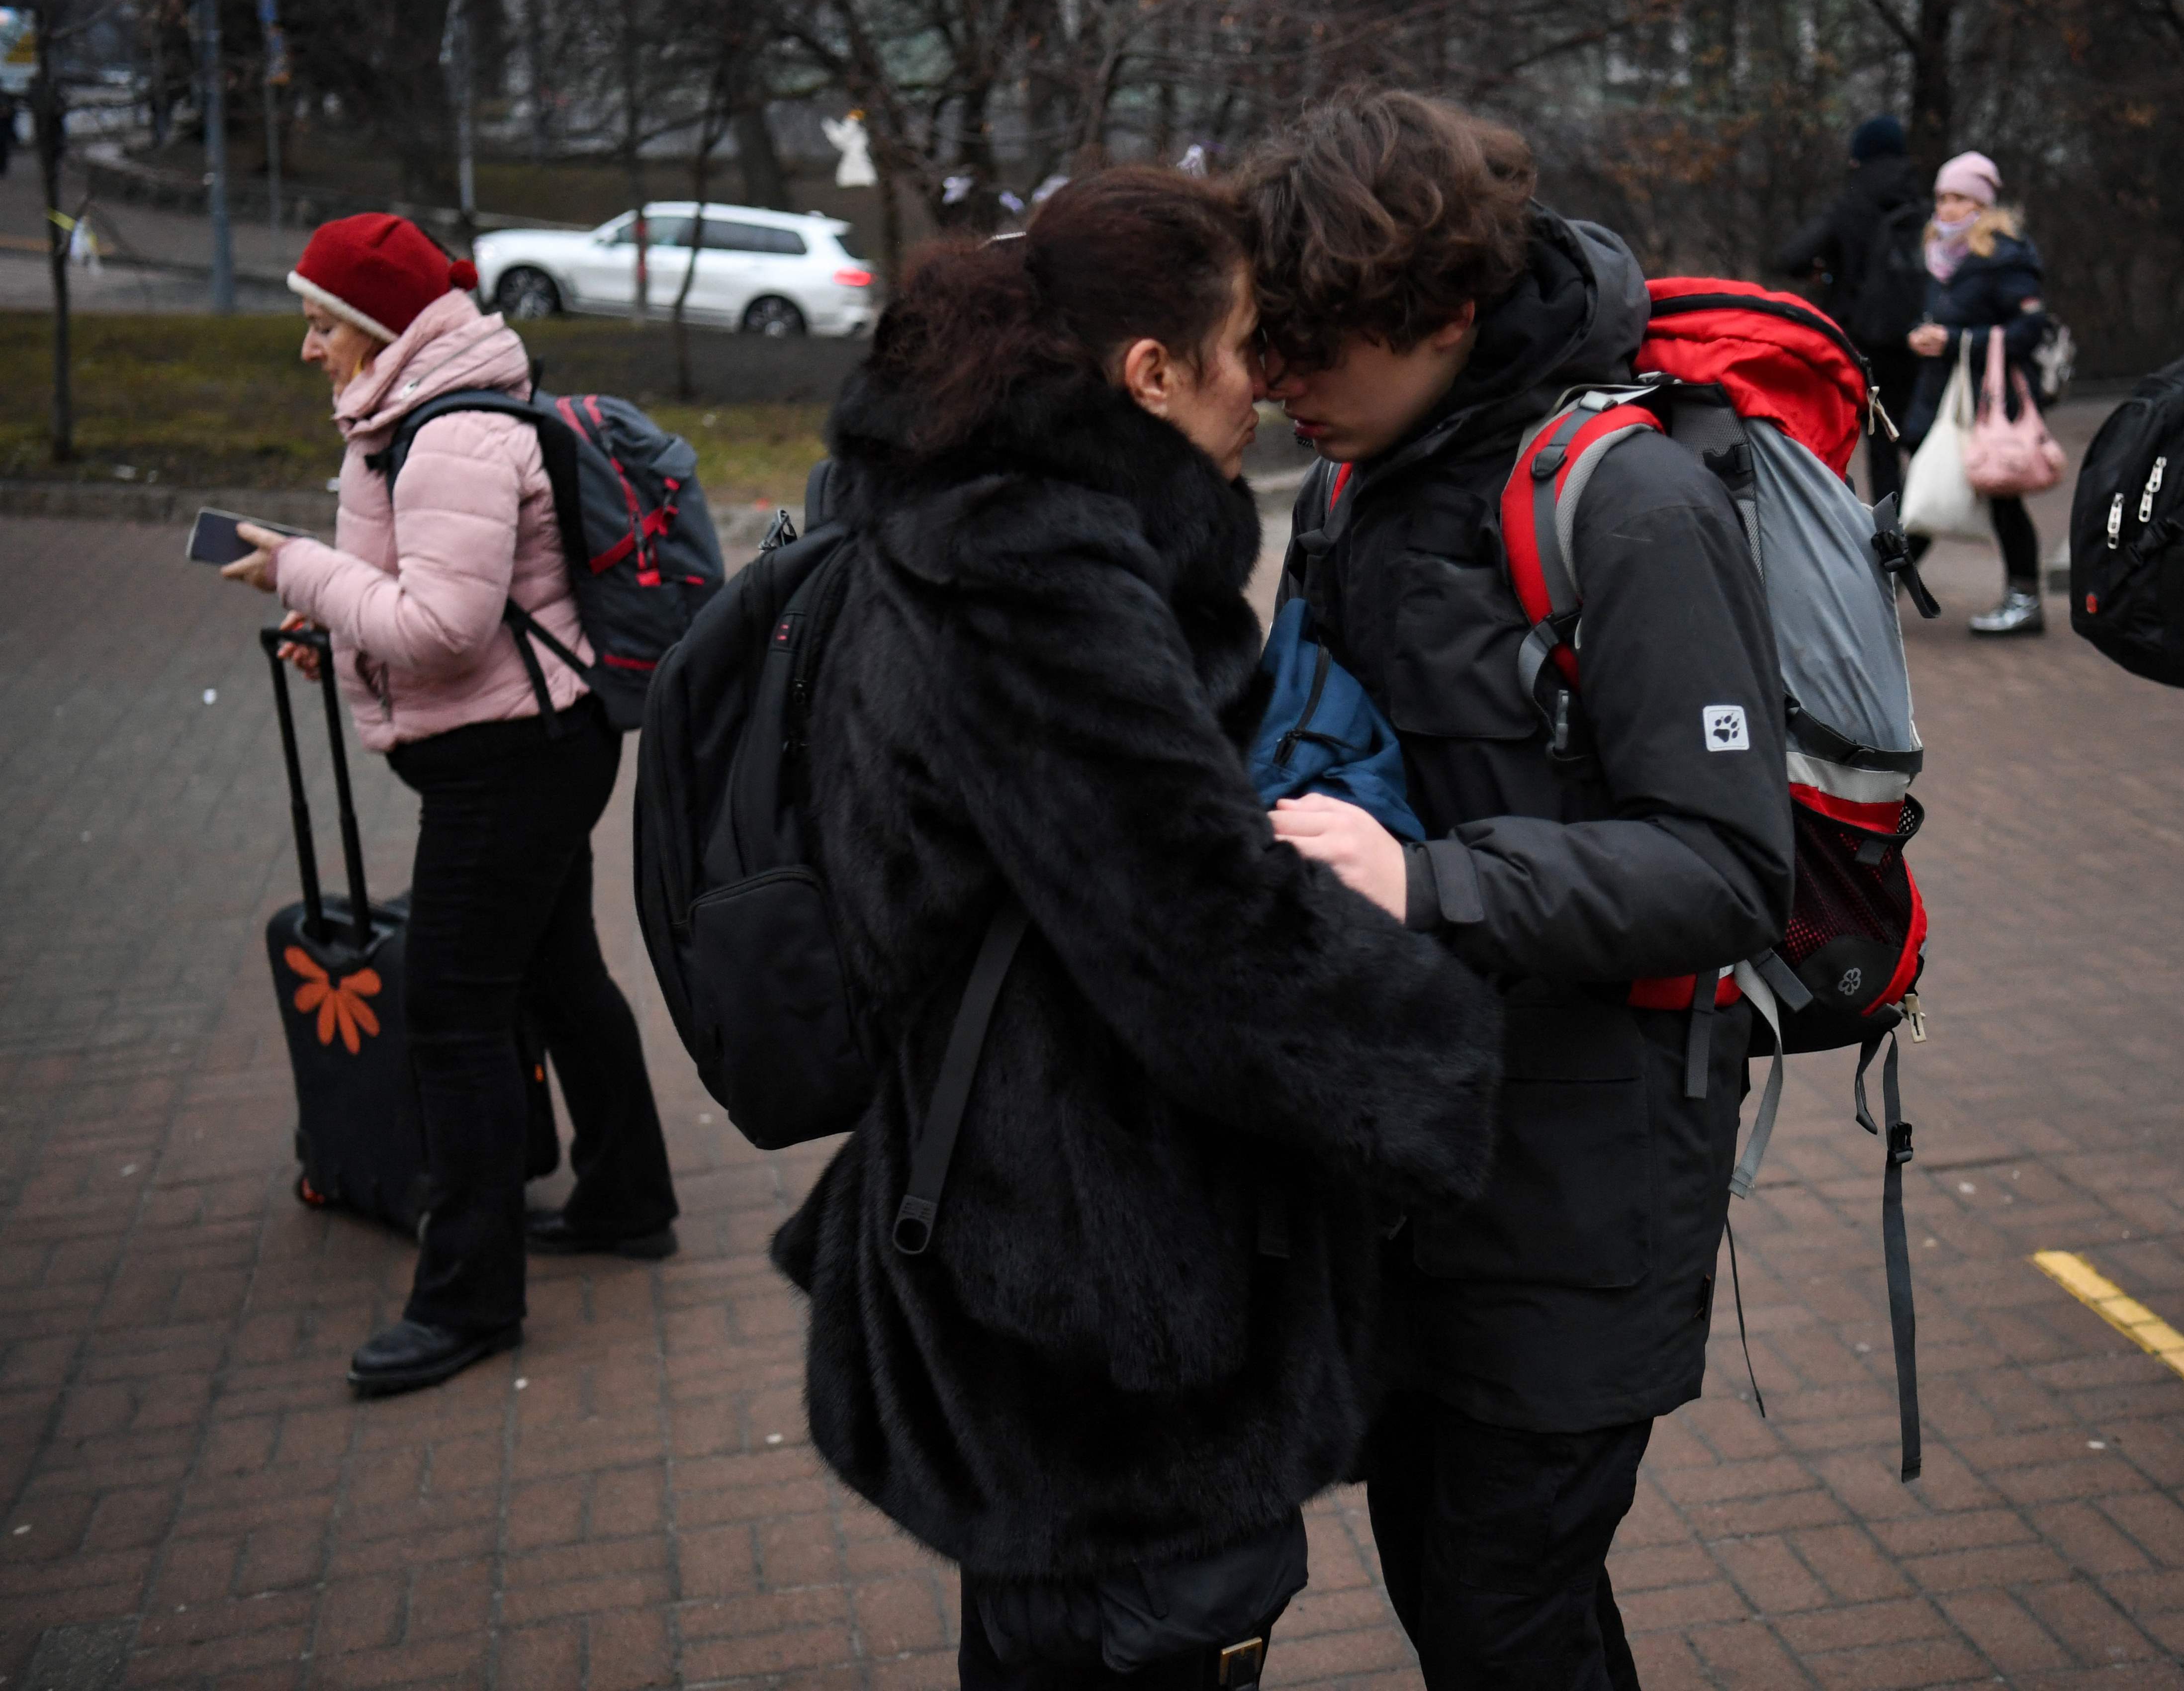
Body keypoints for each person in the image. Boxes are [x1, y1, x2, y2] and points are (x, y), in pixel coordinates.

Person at [768, 167, 1505, 1691]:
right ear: (1148, 373)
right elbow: (1200, 930)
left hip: (1020, 1224)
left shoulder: (959, 508)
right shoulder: (1037, 571)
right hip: (1102, 1292)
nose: (1270, 380)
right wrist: (1442, 1049)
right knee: (1146, 1626)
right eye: (1241, 343)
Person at [1240, 90, 1792, 1691]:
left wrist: (1428, 882)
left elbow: (1724, 865)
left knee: (1495, 1591)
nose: (1277, 391)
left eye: (1309, 351)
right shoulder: (1354, 484)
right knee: (1461, 1575)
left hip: (1586, 1170)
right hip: (1419, 1155)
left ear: (1443, 314)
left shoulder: (1626, 504)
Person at [221, 212, 679, 1397]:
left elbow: (440, 629)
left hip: (510, 759)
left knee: (453, 1013)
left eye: (322, 323)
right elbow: (425, 610)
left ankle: (469, 1299)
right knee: (555, 974)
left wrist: (297, 572)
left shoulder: (452, 440)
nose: (309, 348)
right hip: (525, 740)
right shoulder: (414, 422)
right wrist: (338, 632)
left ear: (377, 326)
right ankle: (629, 1198)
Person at [1903, 151, 2050, 634]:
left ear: (1983, 204)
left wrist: (1955, 341)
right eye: (1943, 197)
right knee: (1924, 492)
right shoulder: (1941, 256)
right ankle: (1877, 592)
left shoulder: (2005, 255)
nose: (1947, 208)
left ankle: (2025, 599)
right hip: (1946, 398)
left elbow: (2030, 330)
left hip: (1988, 404)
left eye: (1960, 198)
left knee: (2000, 496)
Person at [1773, 113, 1924, 507]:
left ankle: (1888, 535)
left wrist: (1824, 269)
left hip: (1860, 339)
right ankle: (1920, 515)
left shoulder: (1851, 204)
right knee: (1917, 431)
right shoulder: (1924, 202)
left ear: (1859, 158)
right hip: (1918, 337)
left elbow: (1792, 256)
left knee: (1878, 442)